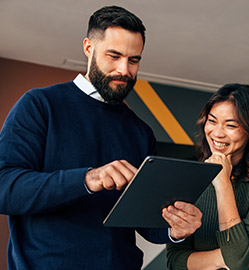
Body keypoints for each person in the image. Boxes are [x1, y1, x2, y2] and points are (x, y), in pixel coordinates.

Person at [0, 6, 202, 270]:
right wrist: (88, 178)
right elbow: (5, 189)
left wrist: (177, 229)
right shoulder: (40, 105)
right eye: (114, 56)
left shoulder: (140, 132)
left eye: (134, 60)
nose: (124, 70)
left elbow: (144, 222)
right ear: (88, 47)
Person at [166, 83, 249, 269]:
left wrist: (223, 183)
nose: (217, 133)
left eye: (231, 125)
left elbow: (241, 258)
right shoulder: (190, 178)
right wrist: (222, 259)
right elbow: (175, 260)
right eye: (212, 121)